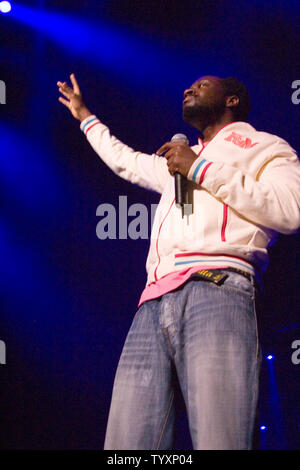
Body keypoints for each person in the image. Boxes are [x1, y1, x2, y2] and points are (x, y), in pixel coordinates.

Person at [57, 73, 300, 450]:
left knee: (222, 438)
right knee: (127, 444)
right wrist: (85, 116)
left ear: (232, 99)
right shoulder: (178, 159)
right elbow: (126, 161)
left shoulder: (265, 146)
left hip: (220, 287)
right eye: (189, 86)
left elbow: (290, 209)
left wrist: (199, 168)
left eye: (202, 85)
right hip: (152, 303)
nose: (188, 89)